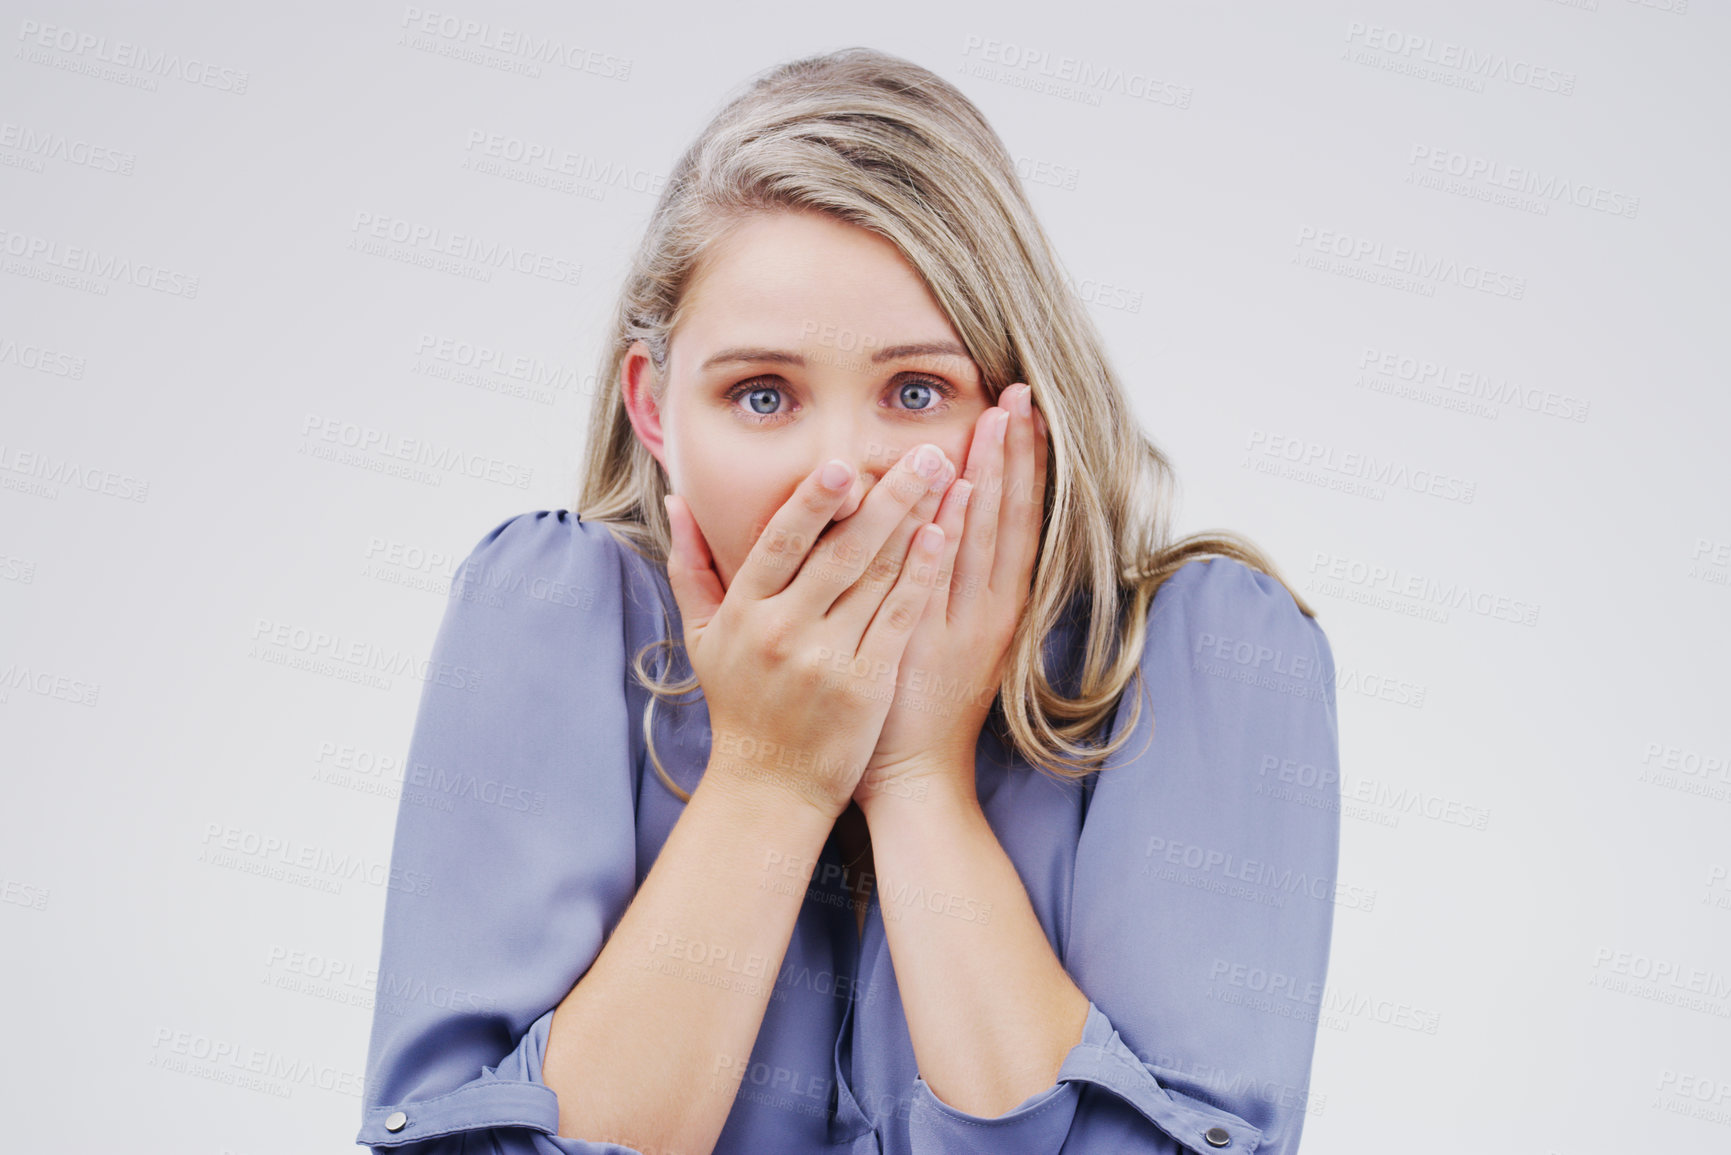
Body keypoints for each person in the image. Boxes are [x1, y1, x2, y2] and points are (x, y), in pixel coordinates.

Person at [356, 46, 1340, 1155]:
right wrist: (772, 775)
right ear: (655, 408)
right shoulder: (552, 615)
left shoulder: (1209, 659)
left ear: (1026, 398)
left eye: (917, 391)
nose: (840, 473)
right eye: (762, 394)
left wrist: (919, 777)